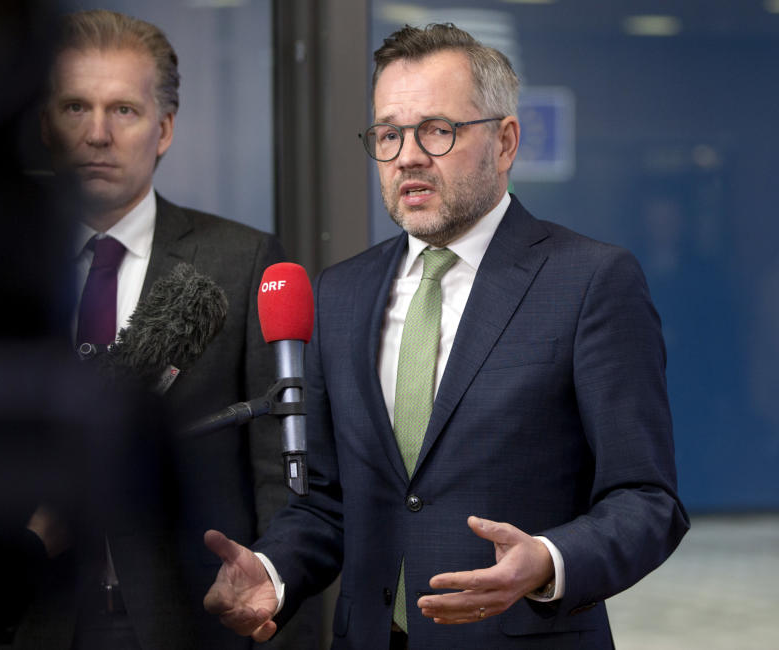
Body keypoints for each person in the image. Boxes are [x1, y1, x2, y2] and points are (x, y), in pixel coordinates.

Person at [203, 23, 690, 649]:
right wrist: (274, 571)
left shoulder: (591, 280)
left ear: (506, 141)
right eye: (388, 133)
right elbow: (327, 502)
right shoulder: (339, 294)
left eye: (437, 129)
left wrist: (546, 559)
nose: (407, 155)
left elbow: (647, 499)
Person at [20, 9, 296, 649]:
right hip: (29, 621)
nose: (96, 134)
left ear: (164, 127)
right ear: (44, 124)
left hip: (187, 623)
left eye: (123, 110)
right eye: (74, 108)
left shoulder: (244, 262)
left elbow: (278, 484)